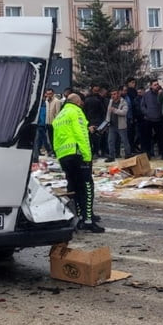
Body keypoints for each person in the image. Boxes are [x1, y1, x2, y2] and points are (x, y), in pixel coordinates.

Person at [52, 93, 103, 233]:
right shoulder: (76, 112)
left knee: (73, 186)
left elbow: (58, 137)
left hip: (64, 156)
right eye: (81, 102)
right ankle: (88, 220)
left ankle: (79, 217)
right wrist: (87, 156)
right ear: (78, 101)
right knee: (87, 186)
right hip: (77, 155)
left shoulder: (61, 115)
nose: (82, 104)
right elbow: (81, 135)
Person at [139, 81, 163, 159]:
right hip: (148, 119)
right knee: (147, 138)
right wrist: (147, 113)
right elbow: (142, 106)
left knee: (161, 137)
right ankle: (148, 154)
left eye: (157, 84)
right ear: (151, 86)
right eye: (155, 85)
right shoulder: (146, 95)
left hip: (159, 119)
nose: (157, 86)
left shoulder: (162, 93)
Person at [82, 85, 108, 160]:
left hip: (91, 121)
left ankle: (94, 152)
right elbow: (103, 111)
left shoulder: (87, 99)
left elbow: (84, 111)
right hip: (99, 121)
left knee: (92, 138)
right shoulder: (101, 100)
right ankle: (100, 152)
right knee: (100, 137)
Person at [104, 88, 130, 162]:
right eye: (112, 94)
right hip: (112, 125)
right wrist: (107, 121)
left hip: (121, 125)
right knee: (110, 141)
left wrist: (115, 110)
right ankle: (111, 156)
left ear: (119, 94)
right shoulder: (111, 101)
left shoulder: (123, 102)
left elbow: (124, 112)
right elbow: (108, 113)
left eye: (114, 94)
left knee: (125, 141)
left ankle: (128, 154)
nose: (113, 96)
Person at [36, 89, 60, 157]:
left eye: (50, 94)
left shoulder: (57, 101)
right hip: (47, 123)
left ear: (53, 93)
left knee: (53, 139)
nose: (49, 95)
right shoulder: (46, 101)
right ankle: (51, 151)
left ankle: (54, 152)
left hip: (54, 123)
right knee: (48, 138)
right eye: (48, 94)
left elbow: (58, 113)